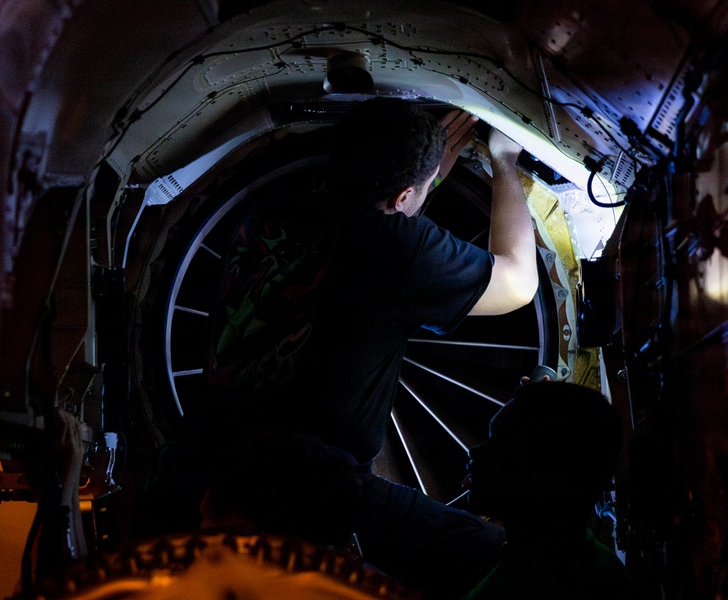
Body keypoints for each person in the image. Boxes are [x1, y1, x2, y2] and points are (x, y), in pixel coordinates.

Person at [141, 97, 539, 599]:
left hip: (197, 469)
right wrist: (504, 162)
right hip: (307, 485)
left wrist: (420, 186)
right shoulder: (397, 249)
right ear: (403, 196)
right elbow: (518, 282)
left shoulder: (262, 217)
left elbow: (357, 243)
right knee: (494, 554)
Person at [462, 380, 639, 599]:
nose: (475, 452)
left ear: (552, 473)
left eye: (504, 445)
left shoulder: (528, 584)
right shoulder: (596, 568)